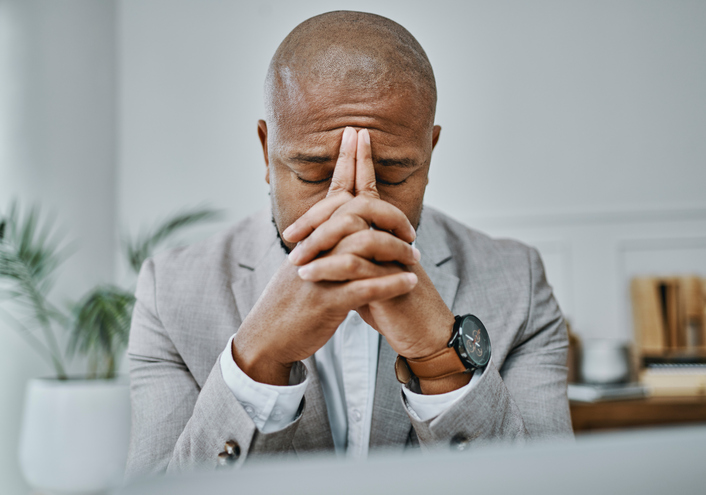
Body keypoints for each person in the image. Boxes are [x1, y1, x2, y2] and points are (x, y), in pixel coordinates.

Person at [125, 10, 572, 478]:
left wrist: (441, 363)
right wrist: (258, 359)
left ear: (429, 154)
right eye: (314, 172)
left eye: (393, 173)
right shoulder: (171, 294)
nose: (351, 206)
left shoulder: (517, 283)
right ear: (265, 150)